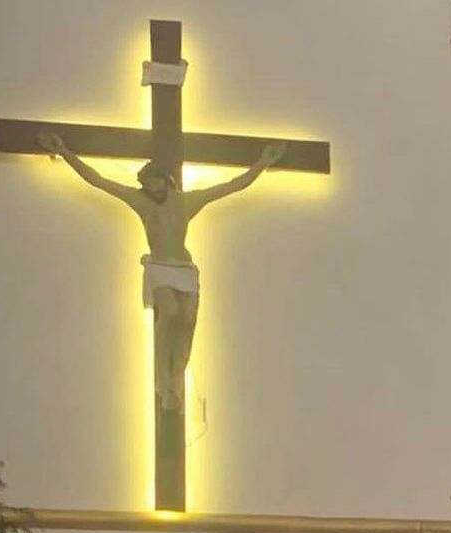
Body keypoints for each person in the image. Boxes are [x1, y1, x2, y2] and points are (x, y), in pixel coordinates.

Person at [38, 132, 285, 411]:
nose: (151, 189)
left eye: (154, 183)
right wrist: (64, 151)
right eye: (146, 185)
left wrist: (263, 162)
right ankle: (163, 379)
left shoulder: (186, 202)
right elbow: (98, 180)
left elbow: (232, 186)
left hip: (185, 268)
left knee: (188, 320)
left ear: (165, 180)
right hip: (159, 266)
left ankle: (175, 380)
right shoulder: (140, 201)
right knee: (169, 313)